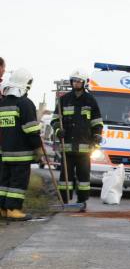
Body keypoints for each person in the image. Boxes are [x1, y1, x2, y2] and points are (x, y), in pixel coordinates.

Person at [52, 69, 103, 211]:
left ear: (84, 83)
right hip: (67, 147)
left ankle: (82, 202)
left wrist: (97, 134)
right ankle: (65, 201)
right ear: (71, 82)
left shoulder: (90, 100)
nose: (76, 83)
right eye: (74, 81)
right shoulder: (64, 99)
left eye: (79, 81)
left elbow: (97, 122)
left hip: (85, 148)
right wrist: (58, 130)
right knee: (65, 179)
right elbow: (55, 120)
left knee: (84, 179)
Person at [0, 68, 42, 220]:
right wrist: (38, 149)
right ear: (27, 85)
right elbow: (31, 129)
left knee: (4, 183)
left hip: (5, 153)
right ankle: (13, 209)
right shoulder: (25, 103)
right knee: (17, 184)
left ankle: (3, 209)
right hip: (21, 154)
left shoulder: (3, 103)